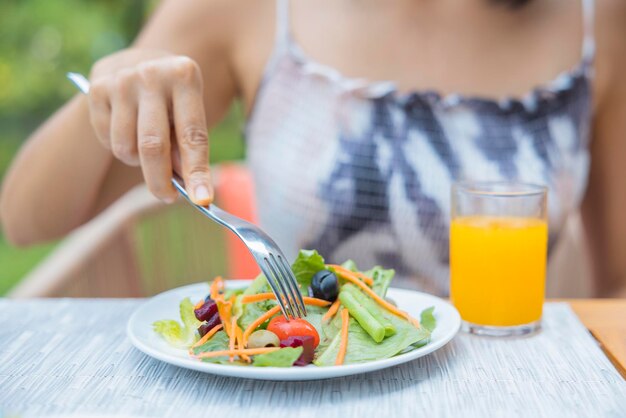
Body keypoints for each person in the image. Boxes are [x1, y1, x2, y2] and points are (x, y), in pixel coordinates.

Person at [1, 0, 625, 296]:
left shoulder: (600, 19)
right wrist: (115, 88)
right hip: (305, 387)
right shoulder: (240, 10)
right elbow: (24, 220)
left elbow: (617, 283)